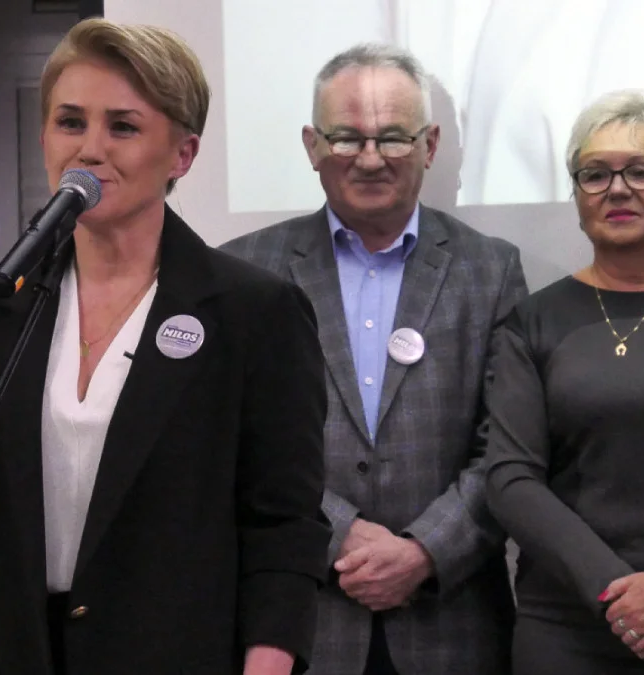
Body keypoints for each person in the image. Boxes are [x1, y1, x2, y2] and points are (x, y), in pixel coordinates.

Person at [0, 17, 332, 675]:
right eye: (70, 121)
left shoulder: (253, 313)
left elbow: (283, 531)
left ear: (182, 155)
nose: (90, 149)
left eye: (123, 127)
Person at [220, 43, 526, 675]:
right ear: (311, 146)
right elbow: (231, 444)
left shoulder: (490, 270)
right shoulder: (244, 270)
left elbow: (507, 446)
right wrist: (340, 535)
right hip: (300, 624)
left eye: (392, 137)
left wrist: (424, 551)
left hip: (452, 627)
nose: (369, 158)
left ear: (430, 145)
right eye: (345, 137)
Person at [484, 89, 644, 674]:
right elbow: (510, 477)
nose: (617, 189)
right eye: (595, 174)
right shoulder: (533, 321)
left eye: (641, 171)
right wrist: (615, 591)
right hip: (567, 625)